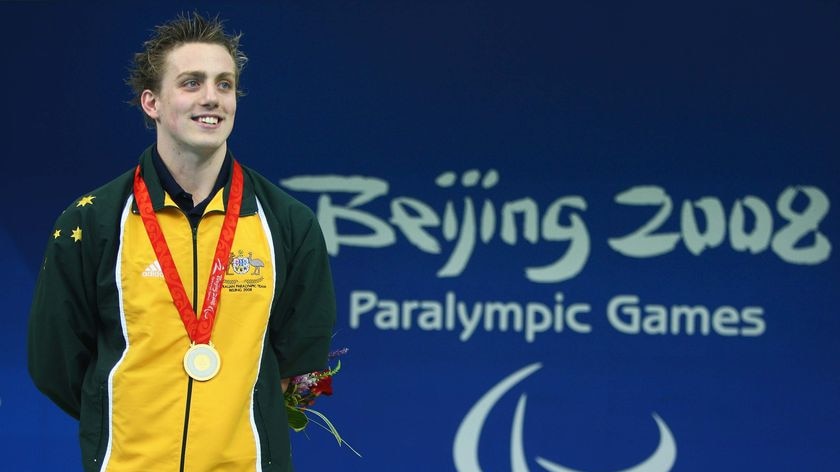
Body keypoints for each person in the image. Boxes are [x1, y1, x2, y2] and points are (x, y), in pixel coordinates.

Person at [27, 12, 336, 472]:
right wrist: (131, 423)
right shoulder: (93, 223)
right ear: (151, 103)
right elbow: (57, 364)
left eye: (224, 84)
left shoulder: (288, 224)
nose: (211, 98)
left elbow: (299, 363)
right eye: (191, 83)